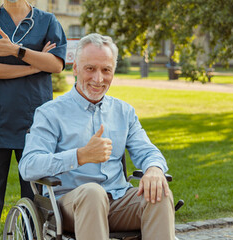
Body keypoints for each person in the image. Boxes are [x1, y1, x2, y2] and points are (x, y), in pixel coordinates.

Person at [19, 33, 175, 240]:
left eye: (106, 70)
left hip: (118, 201)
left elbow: (147, 151)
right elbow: (29, 166)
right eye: (90, 69)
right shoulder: (50, 113)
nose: (98, 79)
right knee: (93, 193)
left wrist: (154, 169)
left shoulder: (124, 112)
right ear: (75, 68)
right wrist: (80, 156)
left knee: (159, 193)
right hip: (69, 205)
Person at [0, 0, 67, 239]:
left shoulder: (48, 22)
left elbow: (56, 64)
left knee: (36, 200)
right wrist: (34, 65)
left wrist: (16, 51)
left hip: (35, 124)